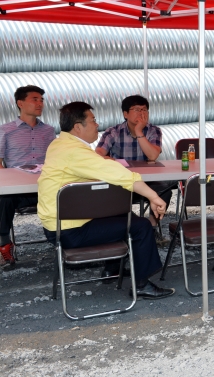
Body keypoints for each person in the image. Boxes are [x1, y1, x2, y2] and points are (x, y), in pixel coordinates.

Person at [38, 102, 174, 299]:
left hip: (61, 225)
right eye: (93, 121)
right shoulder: (75, 152)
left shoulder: (59, 144)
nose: (97, 125)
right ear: (78, 127)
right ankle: (142, 285)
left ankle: (113, 269)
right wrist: (153, 195)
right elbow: (120, 174)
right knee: (142, 225)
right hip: (70, 231)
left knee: (124, 215)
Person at [96, 95, 174, 228]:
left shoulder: (153, 131)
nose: (142, 113)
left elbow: (153, 156)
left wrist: (139, 131)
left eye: (144, 110)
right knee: (110, 193)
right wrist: (111, 160)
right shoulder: (113, 132)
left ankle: (151, 226)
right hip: (122, 181)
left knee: (166, 190)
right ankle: (128, 226)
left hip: (146, 181)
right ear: (125, 114)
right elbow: (97, 156)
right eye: (137, 109)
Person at [0, 85, 56, 268]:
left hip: (45, 186)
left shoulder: (48, 131)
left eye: (42, 100)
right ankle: (4, 243)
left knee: (72, 192)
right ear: (20, 103)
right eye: (35, 99)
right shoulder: (5, 130)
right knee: (3, 198)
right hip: (19, 189)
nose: (40, 103)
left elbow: (57, 157)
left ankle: (70, 241)